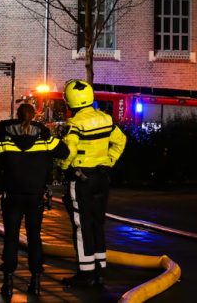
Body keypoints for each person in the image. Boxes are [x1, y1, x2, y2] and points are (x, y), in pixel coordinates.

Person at [0, 102, 68, 297]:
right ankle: (36, 281)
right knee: (34, 237)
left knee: (11, 238)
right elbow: (65, 152)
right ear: (34, 116)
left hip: (11, 196)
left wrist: (0, 190)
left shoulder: (2, 139)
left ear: (17, 115)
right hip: (35, 196)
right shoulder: (44, 139)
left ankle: (7, 282)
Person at [58, 79, 127, 287]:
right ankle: (99, 269)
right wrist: (110, 161)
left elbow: (69, 151)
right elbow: (121, 140)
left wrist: (62, 167)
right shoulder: (105, 118)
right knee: (98, 223)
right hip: (102, 178)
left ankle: (85, 273)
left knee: (82, 225)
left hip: (82, 180)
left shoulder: (75, 123)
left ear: (70, 101)